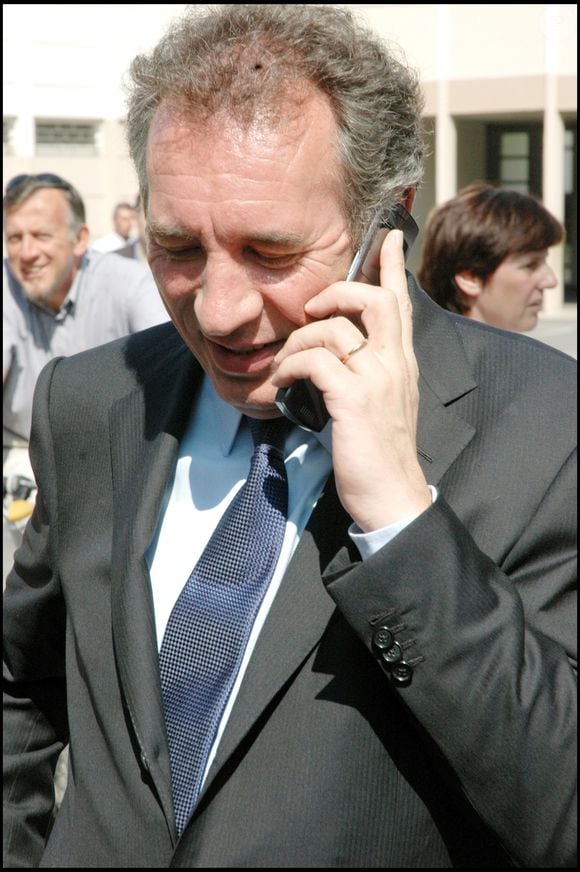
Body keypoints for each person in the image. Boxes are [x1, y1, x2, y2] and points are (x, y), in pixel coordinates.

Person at [3, 5, 576, 869]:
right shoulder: (93, 401)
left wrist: (401, 523)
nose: (220, 308)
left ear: (391, 221)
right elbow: (23, 682)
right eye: (176, 247)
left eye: (270, 252)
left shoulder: (547, 426)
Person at [417, 182, 564, 332]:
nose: (551, 281)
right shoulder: (423, 354)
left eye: (544, 261)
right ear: (470, 278)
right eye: (530, 265)